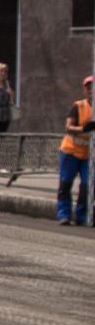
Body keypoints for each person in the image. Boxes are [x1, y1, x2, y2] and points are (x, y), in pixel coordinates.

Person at [59, 75, 95, 227]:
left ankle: (82, 216)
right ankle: (64, 215)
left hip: (89, 155)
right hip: (70, 151)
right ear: (84, 90)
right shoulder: (79, 106)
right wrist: (84, 128)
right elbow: (69, 127)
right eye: (88, 87)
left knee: (87, 186)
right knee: (66, 184)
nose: (91, 90)